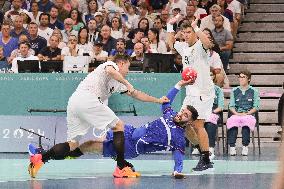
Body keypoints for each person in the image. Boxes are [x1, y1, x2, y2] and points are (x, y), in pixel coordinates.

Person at [28, 54, 170, 178]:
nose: (128, 70)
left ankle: (40, 158)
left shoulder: (118, 83)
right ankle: (121, 168)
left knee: (72, 144)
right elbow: (111, 71)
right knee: (118, 125)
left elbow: (137, 94)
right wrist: (127, 82)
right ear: (121, 63)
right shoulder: (110, 65)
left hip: (75, 102)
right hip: (87, 98)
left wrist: (158, 100)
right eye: (127, 67)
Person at [29, 79, 200, 179]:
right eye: (182, 111)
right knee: (87, 145)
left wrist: (178, 171)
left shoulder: (178, 137)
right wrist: (179, 84)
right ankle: (44, 156)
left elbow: (179, 155)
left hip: (131, 146)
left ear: (189, 122)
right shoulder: (170, 115)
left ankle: (44, 156)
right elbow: (167, 101)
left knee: (88, 146)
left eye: (185, 116)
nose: (181, 114)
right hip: (129, 131)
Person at [168, 18, 214, 171]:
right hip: (190, 93)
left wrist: (197, 27)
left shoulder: (201, 45)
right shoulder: (184, 47)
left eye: (189, 32)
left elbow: (209, 44)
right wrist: (170, 24)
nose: (186, 35)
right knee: (181, 122)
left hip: (203, 92)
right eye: (184, 32)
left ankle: (206, 158)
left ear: (194, 32)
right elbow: (171, 43)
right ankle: (203, 153)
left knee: (198, 124)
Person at [227, 70, 260, 156]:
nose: (241, 79)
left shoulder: (254, 91)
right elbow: (231, 106)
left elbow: (256, 106)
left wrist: (248, 113)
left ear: (248, 79)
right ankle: (232, 146)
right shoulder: (234, 91)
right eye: (240, 77)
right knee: (232, 121)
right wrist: (236, 113)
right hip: (237, 113)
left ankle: (245, 146)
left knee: (246, 123)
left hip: (248, 114)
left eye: (243, 77)